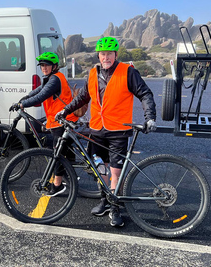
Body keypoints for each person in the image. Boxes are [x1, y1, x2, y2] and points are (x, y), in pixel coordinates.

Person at [55, 36, 157, 227]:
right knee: (99, 167)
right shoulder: (93, 73)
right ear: (99, 55)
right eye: (103, 54)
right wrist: (65, 110)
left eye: (109, 54)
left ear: (115, 55)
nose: (106, 57)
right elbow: (84, 97)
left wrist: (150, 117)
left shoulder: (128, 72)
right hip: (97, 130)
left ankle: (115, 207)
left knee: (115, 172)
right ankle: (105, 199)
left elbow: (145, 94)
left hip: (118, 130)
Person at [9, 52, 79, 196]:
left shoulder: (54, 80)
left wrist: (23, 104)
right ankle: (71, 176)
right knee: (66, 151)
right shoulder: (51, 78)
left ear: (54, 66)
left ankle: (58, 185)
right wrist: (25, 98)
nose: (44, 68)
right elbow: (38, 91)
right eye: (41, 65)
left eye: (46, 65)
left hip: (62, 121)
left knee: (57, 153)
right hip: (64, 119)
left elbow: (41, 96)